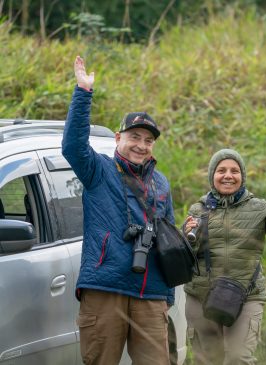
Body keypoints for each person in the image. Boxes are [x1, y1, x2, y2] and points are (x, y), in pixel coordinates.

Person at [62, 56, 175, 365]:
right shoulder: (98, 169)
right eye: (134, 137)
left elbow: (169, 243)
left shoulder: (161, 183)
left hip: (151, 292)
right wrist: (83, 93)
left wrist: (168, 298)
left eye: (148, 140)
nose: (141, 145)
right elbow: (72, 147)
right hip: (104, 286)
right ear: (117, 138)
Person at [183, 149, 266, 365]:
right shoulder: (198, 209)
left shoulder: (259, 208)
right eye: (221, 170)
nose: (228, 175)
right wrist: (187, 237)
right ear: (212, 176)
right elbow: (187, 255)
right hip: (201, 296)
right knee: (207, 360)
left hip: (246, 295)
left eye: (234, 171)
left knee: (238, 358)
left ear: (242, 176)